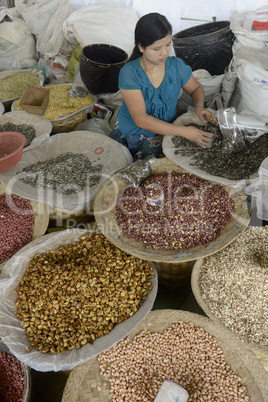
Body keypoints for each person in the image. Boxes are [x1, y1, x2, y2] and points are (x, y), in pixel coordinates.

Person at [109, 12, 218, 161]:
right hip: (132, 130)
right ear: (141, 47)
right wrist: (185, 132)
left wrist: (199, 106)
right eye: (156, 48)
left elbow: (196, 88)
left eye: (168, 44)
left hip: (167, 129)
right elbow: (141, 119)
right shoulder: (130, 73)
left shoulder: (175, 65)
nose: (164, 52)